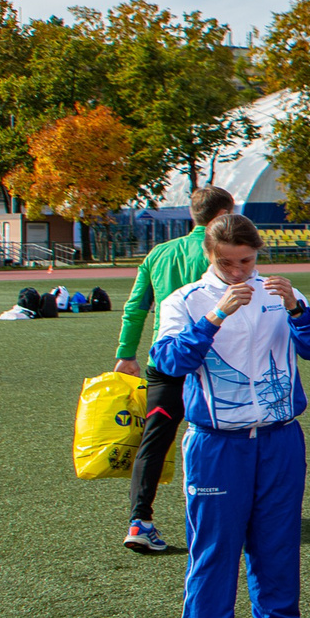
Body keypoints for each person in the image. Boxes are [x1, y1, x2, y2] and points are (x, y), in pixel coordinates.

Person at [150, 213, 310, 618]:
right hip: (217, 442)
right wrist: (216, 317)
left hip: (279, 437)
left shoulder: (280, 294)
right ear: (209, 258)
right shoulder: (186, 300)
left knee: (277, 542)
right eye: (228, 263)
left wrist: (298, 309)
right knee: (214, 547)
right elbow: (171, 361)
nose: (239, 273)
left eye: (247, 261)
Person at [117, 183, 238, 554]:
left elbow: (136, 307)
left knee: (155, 438)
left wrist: (126, 352)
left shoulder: (159, 253)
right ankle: (231, 513)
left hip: (164, 362)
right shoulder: (223, 252)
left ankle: (140, 520)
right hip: (213, 361)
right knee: (227, 435)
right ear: (222, 215)